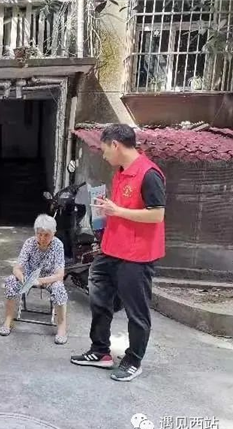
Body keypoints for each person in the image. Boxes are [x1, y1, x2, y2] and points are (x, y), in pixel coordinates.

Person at [71, 124, 165, 382]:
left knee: (137, 311)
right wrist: (108, 209)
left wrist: (118, 211)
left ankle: (134, 360)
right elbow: (123, 207)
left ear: (116, 145)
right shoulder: (121, 172)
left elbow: (157, 214)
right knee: (98, 296)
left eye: (104, 150)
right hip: (112, 249)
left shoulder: (149, 174)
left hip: (137, 254)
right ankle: (100, 350)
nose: (104, 156)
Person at [0, 214, 69, 344]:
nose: (42, 238)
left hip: (49, 278)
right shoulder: (29, 243)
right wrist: (23, 278)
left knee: (59, 288)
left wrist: (41, 281)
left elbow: (60, 274)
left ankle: (61, 328)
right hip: (29, 276)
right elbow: (17, 268)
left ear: (53, 233)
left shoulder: (58, 245)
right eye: (39, 234)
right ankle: (8, 320)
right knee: (10, 280)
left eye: (46, 235)